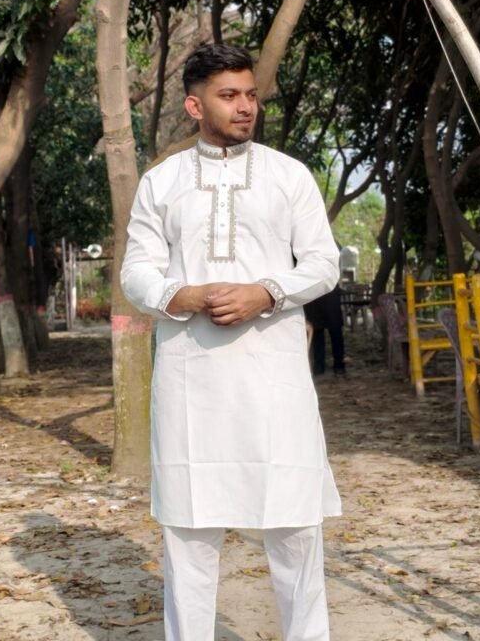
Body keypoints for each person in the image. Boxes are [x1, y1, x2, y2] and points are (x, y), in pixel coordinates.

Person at [121, 43, 342, 641]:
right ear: (195, 106)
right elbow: (136, 271)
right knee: (189, 532)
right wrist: (183, 295)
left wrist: (266, 292)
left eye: (250, 95)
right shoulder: (162, 182)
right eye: (229, 96)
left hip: (274, 376)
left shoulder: (288, 175)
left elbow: (323, 263)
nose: (246, 107)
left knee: (295, 527)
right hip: (191, 379)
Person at [304, 285, 346, 377]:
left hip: (330, 294)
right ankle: (319, 365)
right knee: (317, 333)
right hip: (313, 296)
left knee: (335, 332)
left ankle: (339, 364)